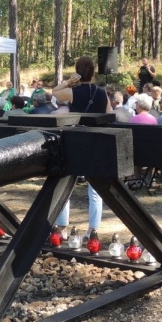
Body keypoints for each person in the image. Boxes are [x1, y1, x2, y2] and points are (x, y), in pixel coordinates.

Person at [51, 56, 110, 235]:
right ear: (93, 73)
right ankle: (93, 229)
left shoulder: (72, 92)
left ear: (78, 72)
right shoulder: (102, 92)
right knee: (95, 191)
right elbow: (110, 114)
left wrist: (69, 82)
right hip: (97, 141)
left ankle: (62, 226)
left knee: (65, 186)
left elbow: (54, 92)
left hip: (76, 141)